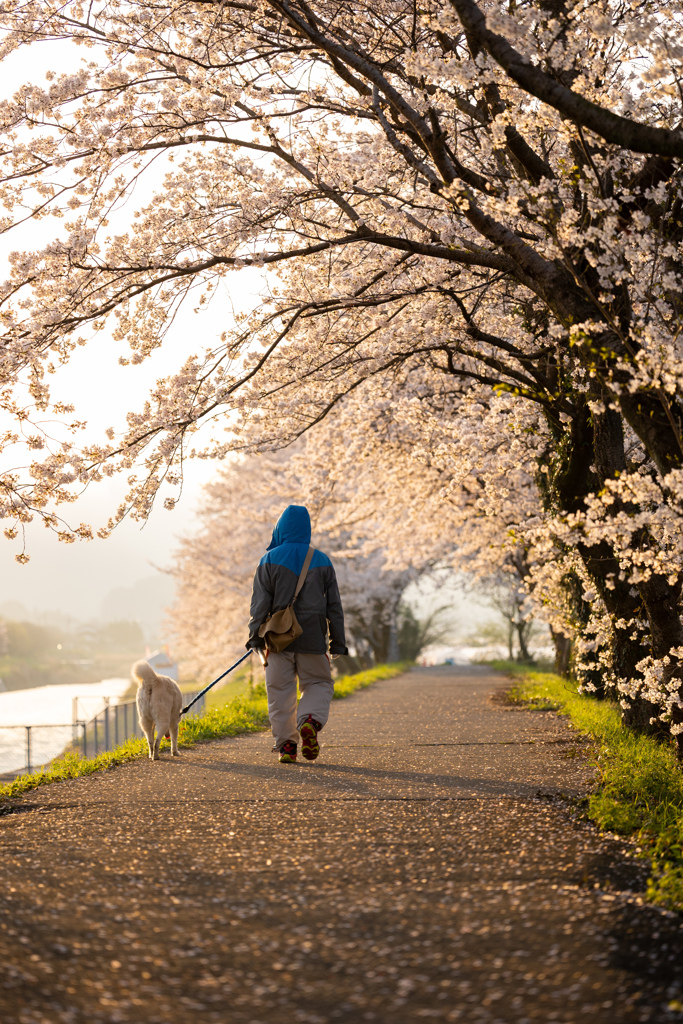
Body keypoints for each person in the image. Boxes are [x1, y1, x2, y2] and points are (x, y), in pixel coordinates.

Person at [247, 504, 348, 763]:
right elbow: (334, 606)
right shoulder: (323, 560)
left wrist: (255, 635)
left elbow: (260, 604)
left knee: (280, 691)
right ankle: (310, 722)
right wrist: (338, 642)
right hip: (313, 637)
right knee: (318, 683)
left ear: (280, 527)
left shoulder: (268, 560)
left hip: (279, 640)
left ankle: (287, 748)